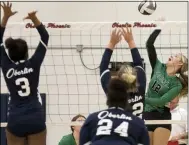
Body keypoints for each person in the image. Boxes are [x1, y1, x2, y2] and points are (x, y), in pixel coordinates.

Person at [0, 2, 49, 145]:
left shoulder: (6, 65)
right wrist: (34, 19)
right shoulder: (33, 64)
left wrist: (5, 17)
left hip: (15, 120)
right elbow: (45, 37)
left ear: (10, 53)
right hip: (35, 118)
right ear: (27, 52)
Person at [144, 29, 188, 145]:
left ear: (180, 64)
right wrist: (158, 28)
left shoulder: (177, 84)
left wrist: (141, 98)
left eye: (175, 56)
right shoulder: (158, 66)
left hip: (162, 116)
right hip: (147, 114)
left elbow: (161, 101)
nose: (171, 56)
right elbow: (149, 45)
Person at [79, 78, 150, 145]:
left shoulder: (92, 118)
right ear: (126, 99)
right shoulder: (137, 122)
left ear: (108, 98)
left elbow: (83, 142)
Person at [100, 26, 146, 119]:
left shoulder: (113, 93)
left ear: (119, 79)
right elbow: (139, 63)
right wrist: (130, 41)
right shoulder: (140, 86)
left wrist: (112, 43)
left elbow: (103, 67)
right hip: (138, 127)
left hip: (121, 129)